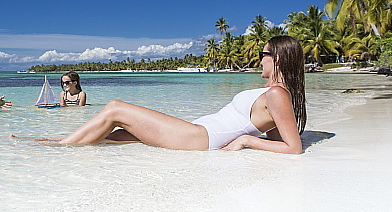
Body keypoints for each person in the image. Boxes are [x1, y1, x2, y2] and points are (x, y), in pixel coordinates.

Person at [24, 35, 305, 154]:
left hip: (200, 138)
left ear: (277, 58)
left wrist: (245, 140)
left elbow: (293, 148)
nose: (260, 59)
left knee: (115, 108)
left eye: (264, 54)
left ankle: (58, 146)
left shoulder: (278, 93)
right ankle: (64, 143)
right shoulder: (273, 93)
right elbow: (276, 134)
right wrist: (255, 135)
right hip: (198, 132)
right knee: (114, 133)